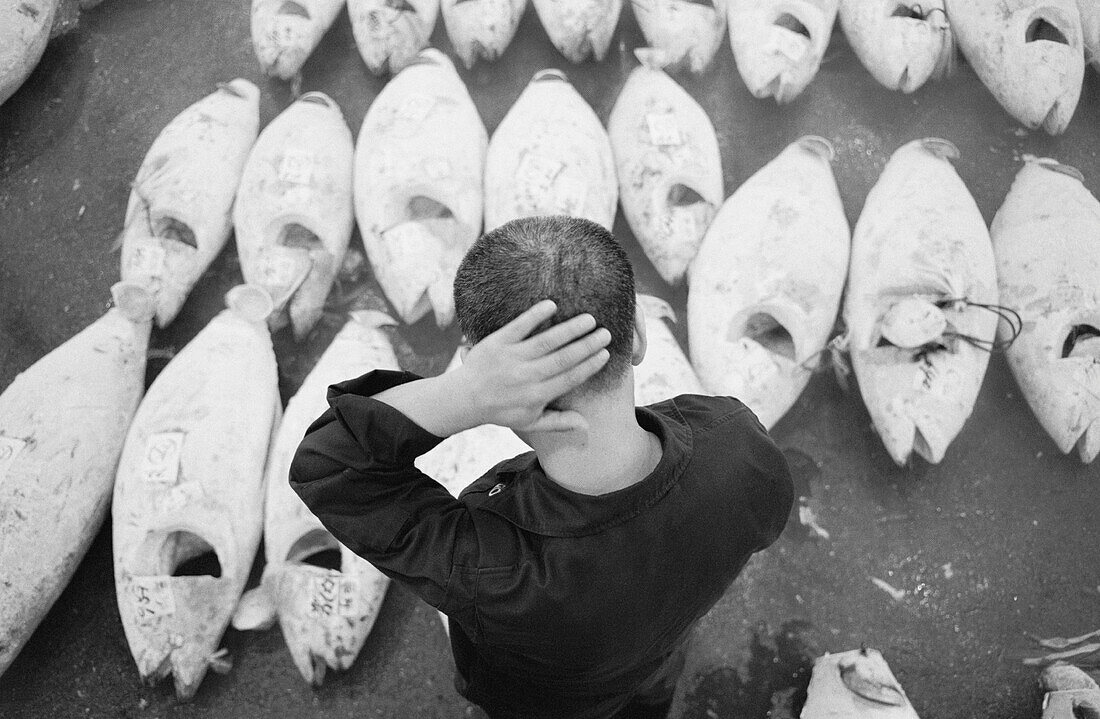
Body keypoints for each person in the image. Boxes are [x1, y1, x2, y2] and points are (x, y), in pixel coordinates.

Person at [289, 215, 794, 719]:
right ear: (637, 334)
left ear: (481, 370)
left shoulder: (493, 568)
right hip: (658, 657)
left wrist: (464, 395)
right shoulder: (736, 441)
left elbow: (328, 466)